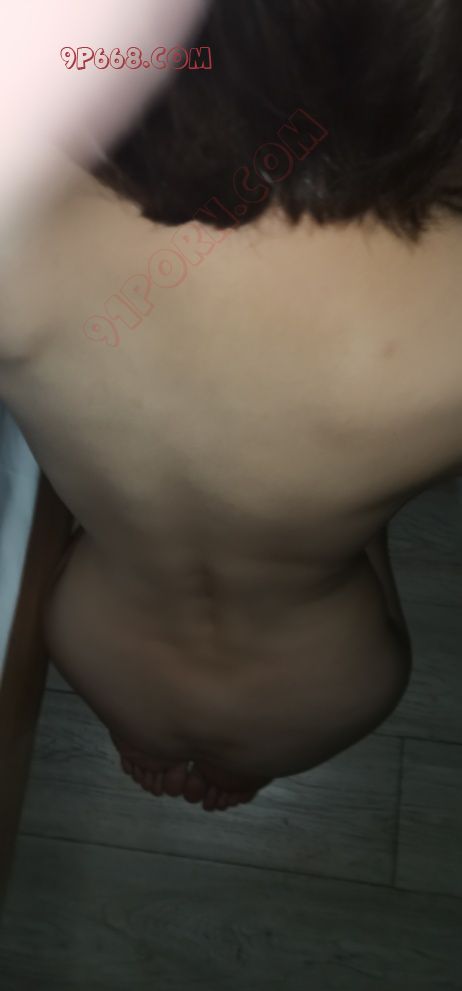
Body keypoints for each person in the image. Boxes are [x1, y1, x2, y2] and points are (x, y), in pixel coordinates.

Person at [1, 0, 462, 812]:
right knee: (343, 499)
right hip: (320, 688)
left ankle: (145, 741)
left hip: (102, 649)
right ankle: (244, 768)